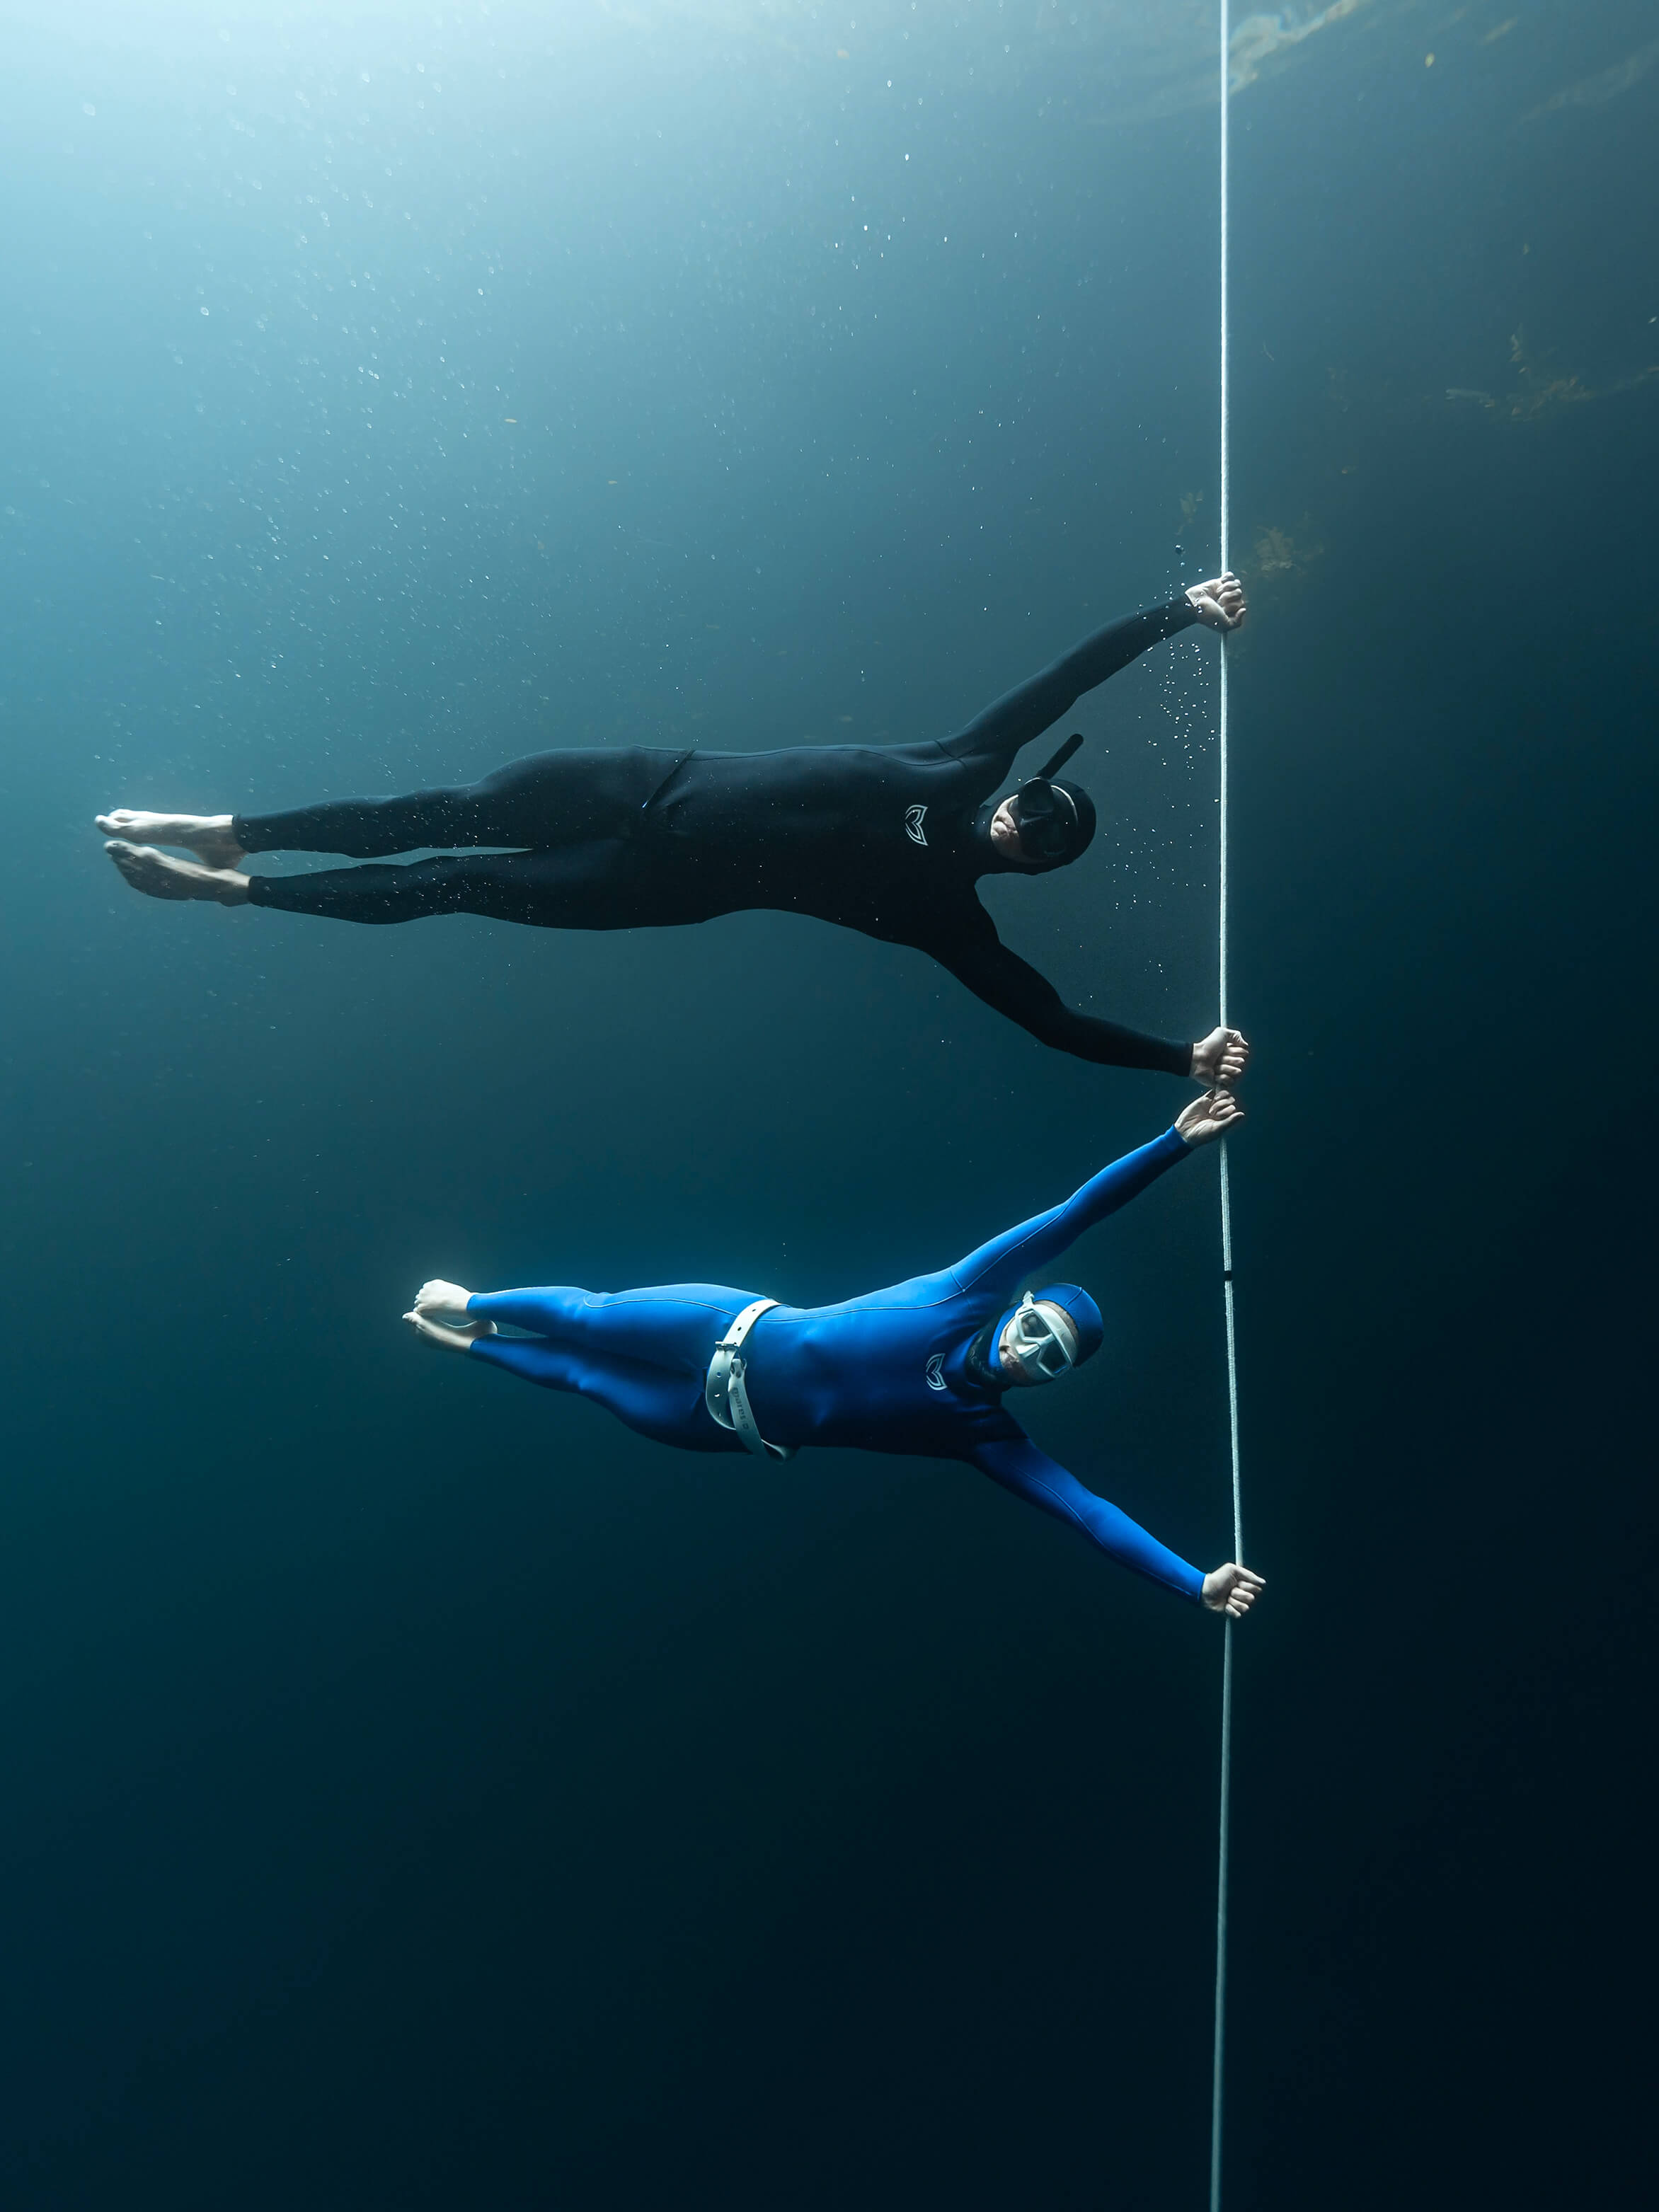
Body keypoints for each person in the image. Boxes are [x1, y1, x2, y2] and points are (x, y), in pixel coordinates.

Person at [98, 575, 1250, 1082]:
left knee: (448, 880)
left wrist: (1176, 1059)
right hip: (635, 780)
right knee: (434, 812)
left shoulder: (943, 914)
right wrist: (1177, 613)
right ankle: (232, 832)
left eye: (1048, 842)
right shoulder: (965, 763)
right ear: (1023, 789)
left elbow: (1044, 1020)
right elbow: (1064, 677)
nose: (1027, 825)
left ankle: (227, 892)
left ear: (1036, 863)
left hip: (640, 884)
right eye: (1040, 807)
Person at [401, 1088, 1265, 1616]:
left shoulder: (983, 1435)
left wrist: (1193, 1583)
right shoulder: (973, 1288)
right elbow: (1075, 1212)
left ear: (1049, 1379)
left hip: (714, 1424)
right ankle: (473, 1300)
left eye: (1049, 1360)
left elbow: (1087, 1514)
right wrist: (1174, 1144)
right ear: (1024, 1304)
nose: (1028, 1351)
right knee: (589, 1320)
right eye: (1037, 1329)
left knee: (584, 1378)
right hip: (718, 1326)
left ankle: (468, 1345)